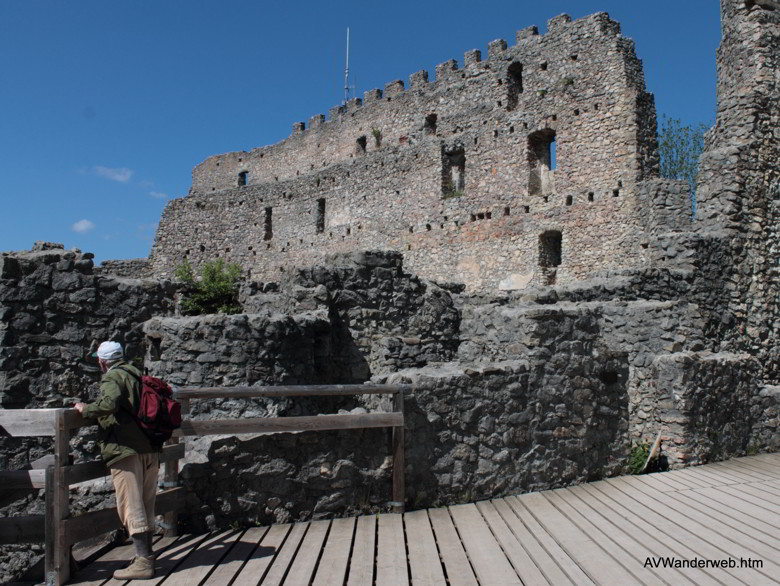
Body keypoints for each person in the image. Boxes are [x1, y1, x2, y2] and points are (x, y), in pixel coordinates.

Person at [74, 341, 160, 580]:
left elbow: (109, 403)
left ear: (102, 362)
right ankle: (147, 556)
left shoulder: (113, 377)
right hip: (149, 447)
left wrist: (86, 409)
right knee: (146, 503)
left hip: (126, 449)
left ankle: (143, 563)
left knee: (131, 506)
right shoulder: (137, 374)